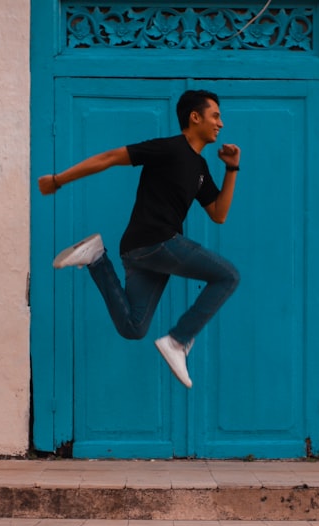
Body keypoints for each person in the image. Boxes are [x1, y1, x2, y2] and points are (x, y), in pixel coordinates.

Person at [38, 89, 241, 389]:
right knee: (228, 276)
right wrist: (57, 180)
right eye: (215, 115)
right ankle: (178, 340)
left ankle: (96, 258)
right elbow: (109, 157)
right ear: (195, 117)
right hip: (156, 241)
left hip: (141, 250)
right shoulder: (170, 148)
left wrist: (232, 168)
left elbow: (218, 213)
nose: (220, 123)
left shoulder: (199, 168)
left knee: (134, 327)